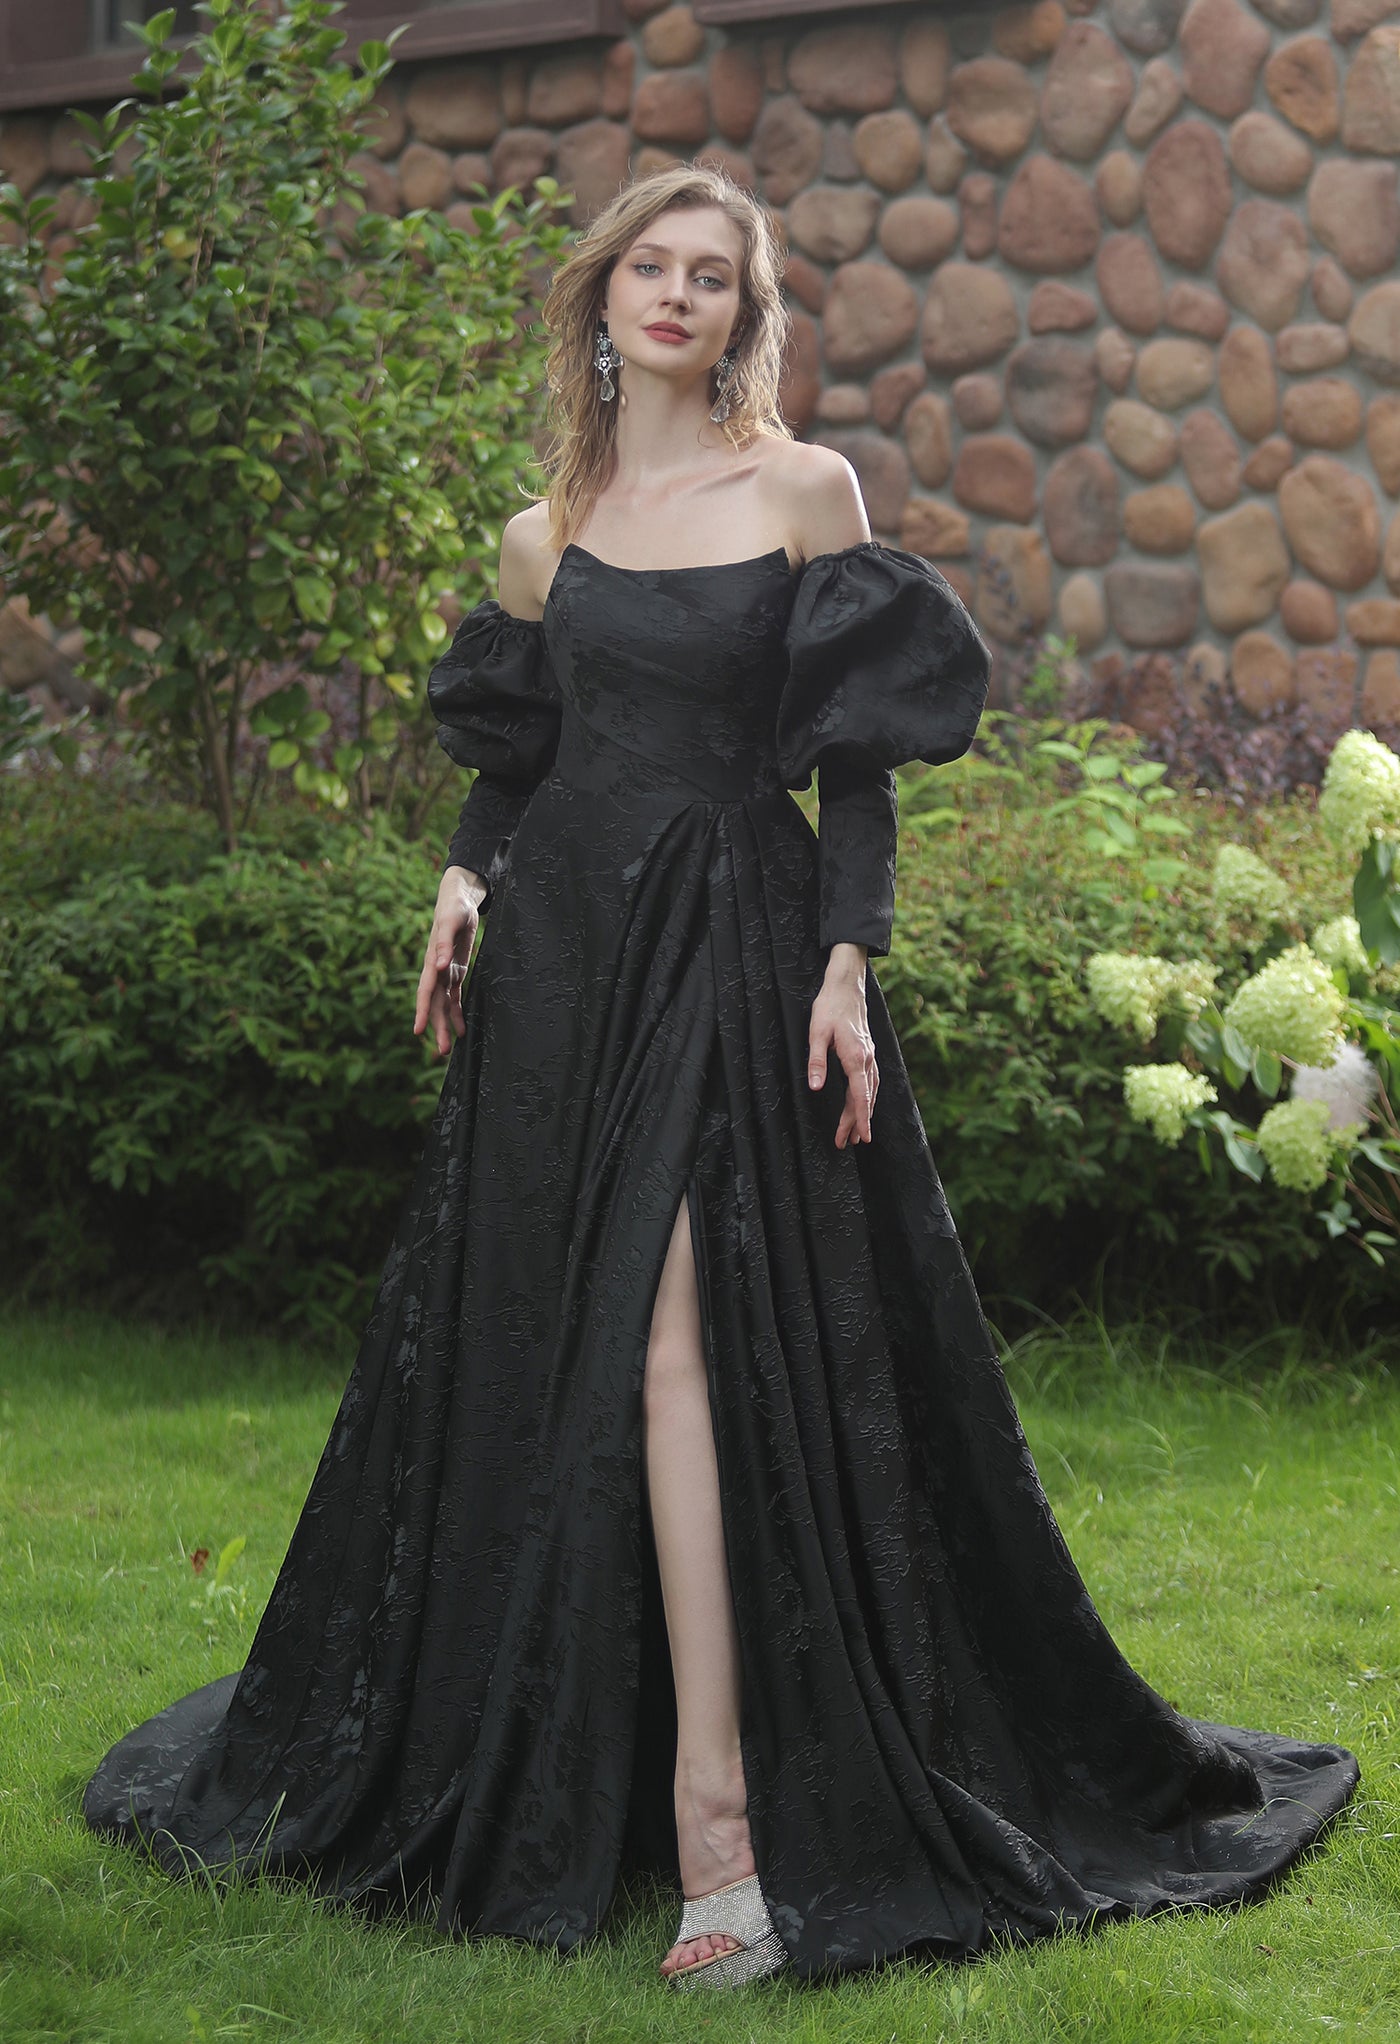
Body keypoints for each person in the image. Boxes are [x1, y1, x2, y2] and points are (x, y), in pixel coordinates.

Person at [83, 163, 1360, 1994]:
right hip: (563, 971)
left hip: (739, 944)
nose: (676, 298)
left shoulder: (802, 491)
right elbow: (520, 758)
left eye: (713, 277)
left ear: (743, 317)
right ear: (602, 300)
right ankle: (608, 1777)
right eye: (652, 269)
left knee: (681, 1332)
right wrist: (461, 873)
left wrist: (848, 961)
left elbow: (855, 770)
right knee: (582, 1346)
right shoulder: (551, 529)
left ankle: (727, 1850)